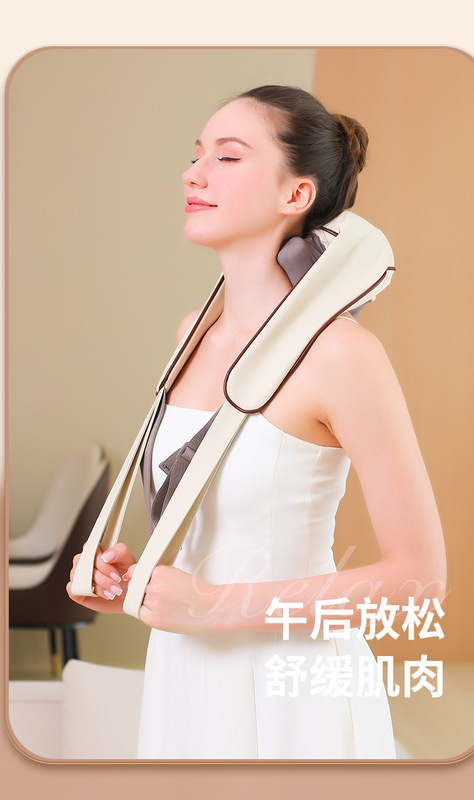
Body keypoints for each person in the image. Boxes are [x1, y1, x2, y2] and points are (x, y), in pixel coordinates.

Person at [67, 85, 446, 760]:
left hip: (297, 697)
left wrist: (214, 605)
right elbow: (211, 528)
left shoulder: (342, 355)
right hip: (185, 680)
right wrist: (140, 581)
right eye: (196, 154)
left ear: (295, 194)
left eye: (228, 156)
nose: (194, 173)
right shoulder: (193, 333)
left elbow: (420, 582)